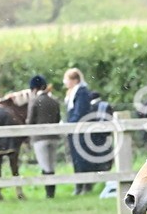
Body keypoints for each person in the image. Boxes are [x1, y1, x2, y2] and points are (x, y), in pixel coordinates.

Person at [25, 75, 61, 198]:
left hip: (39, 138)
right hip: (54, 137)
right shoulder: (54, 101)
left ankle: (49, 194)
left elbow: (29, 121)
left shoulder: (34, 101)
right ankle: (52, 193)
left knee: (45, 166)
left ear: (34, 89)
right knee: (51, 165)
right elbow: (58, 119)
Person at [63, 67, 97, 195]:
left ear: (74, 80)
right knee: (76, 158)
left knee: (81, 157)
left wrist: (70, 124)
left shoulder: (81, 92)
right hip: (74, 130)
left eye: (67, 79)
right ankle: (79, 185)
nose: (65, 82)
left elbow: (80, 112)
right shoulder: (72, 93)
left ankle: (85, 185)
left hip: (80, 130)